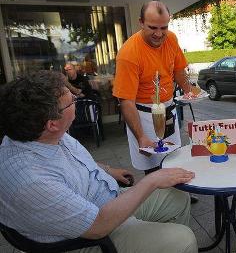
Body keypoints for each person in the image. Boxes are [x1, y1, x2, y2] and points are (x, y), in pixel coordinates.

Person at [0, 70, 197, 253]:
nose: (76, 100)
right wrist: (151, 180)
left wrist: (108, 170)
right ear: (52, 124)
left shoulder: (42, 133)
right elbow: (97, 226)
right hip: (92, 236)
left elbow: (72, 162)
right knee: (184, 239)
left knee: (177, 196)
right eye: (71, 101)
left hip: (106, 200)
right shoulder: (32, 181)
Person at [113, 1, 194, 174]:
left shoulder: (171, 38)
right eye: (153, 28)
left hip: (168, 109)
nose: (159, 34)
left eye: (163, 27)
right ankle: (161, 198)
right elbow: (126, 101)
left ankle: (178, 193)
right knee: (154, 167)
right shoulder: (129, 54)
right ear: (141, 22)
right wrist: (141, 136)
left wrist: (190, 91)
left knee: (175, 157)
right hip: (144, 115)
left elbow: (178, 69)